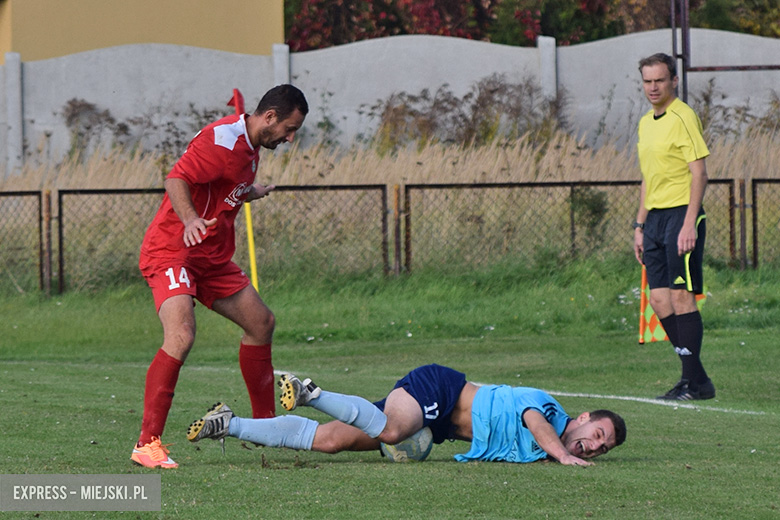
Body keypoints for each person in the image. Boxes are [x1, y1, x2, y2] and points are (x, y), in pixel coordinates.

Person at [130, 85, 309, 469]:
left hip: (210, 258)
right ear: (270, 117)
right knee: (181, 335)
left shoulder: (251, 148)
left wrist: (251, 192)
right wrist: (191, 219)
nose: (291, 138)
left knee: (261, 323)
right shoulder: (222, 139)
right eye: (290, 129)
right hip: (172, 250)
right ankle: (147, 444)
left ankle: (266, 427)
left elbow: (223, 185)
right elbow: (177, 179)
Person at [187, 364, 627, 466]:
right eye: (599, 432)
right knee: (395, 430)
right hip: (440, 389)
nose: (596, 444)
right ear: (584, 417)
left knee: (331, 442)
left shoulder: (546, 450)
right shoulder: (551, 412)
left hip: (432, 424)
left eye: (601, 447)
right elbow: (532, 418)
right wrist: (566, 456)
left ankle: (228, 422)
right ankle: (309, 392)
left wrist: (559, 457)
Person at [633, 53, 715, 401]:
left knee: (682, 296)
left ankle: (692, 381)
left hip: (682, 214)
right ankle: (697, 380)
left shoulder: (684, 117)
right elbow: (648, 178)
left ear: (673, 81)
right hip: (654, 219)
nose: (653, 87)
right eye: (647, 81)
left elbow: (700, 172)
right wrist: (639, 224)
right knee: (660, 299)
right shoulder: (645, 123)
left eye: (659, 81)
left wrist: (689, 224)